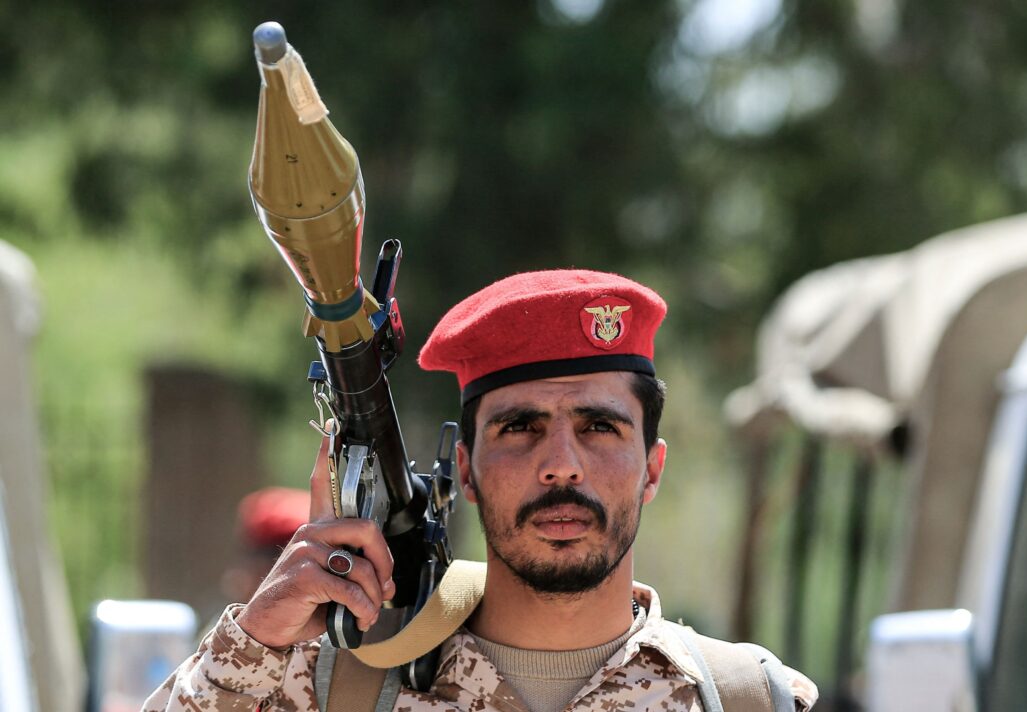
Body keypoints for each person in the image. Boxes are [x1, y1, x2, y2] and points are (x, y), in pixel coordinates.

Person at [143, 269, 818, 712]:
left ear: (652, 469)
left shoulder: (746, 699)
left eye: (601, 427)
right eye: (521, 427)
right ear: (464, 470)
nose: (561, 465)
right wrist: (254, 644)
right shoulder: (331, 688)